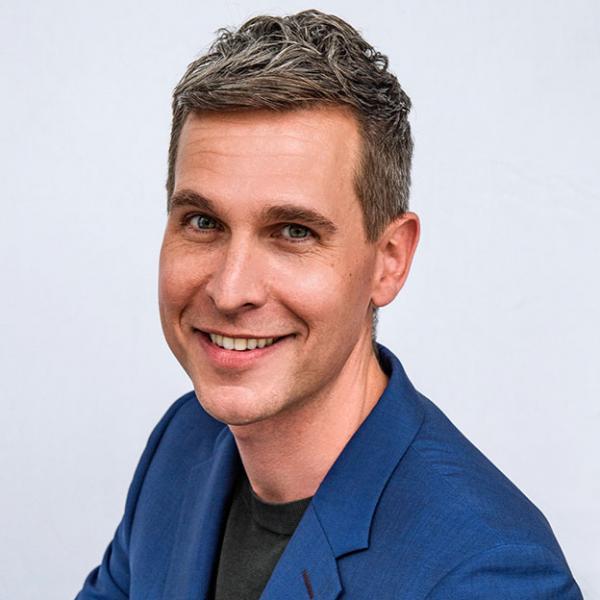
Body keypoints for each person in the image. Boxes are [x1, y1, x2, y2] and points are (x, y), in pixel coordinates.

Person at [76, 10, 582, 599]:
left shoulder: (490, 574)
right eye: (203, 221)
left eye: (293, 231)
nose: (230, 289)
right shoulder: (182, 442)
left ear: (389, 259)